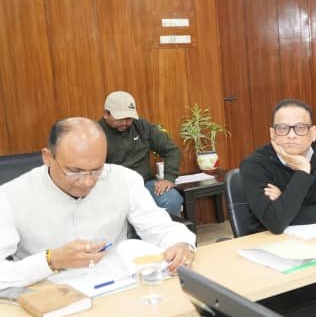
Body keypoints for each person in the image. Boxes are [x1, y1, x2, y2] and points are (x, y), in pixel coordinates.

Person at [0, 118, 196, 290]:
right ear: (48, 157)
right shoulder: (10, 196)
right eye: (75, 171)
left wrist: (181, 244)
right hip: (50, 293)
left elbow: (160, 228)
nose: (87, 181)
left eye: (96, 170)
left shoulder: (124, 179)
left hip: (117, 287)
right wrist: (51, 260)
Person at [239, 99, 316, 234]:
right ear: (272, 134)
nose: (291, 135)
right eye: (282, 128)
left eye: (300, 128)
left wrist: (285, 206)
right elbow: (275, 222)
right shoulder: (254, 165)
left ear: (313, 133)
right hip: (272, 242)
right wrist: (303, 171)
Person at [99, 90, 184, 218]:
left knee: (171, 199)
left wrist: (168, 178)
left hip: (144, 184)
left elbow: (171, 150)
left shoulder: (142, 126)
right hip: (113, 190)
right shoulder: (95, 133)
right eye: (120, 119)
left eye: (129, 118)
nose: (125, 123)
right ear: (106, 114)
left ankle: (165, 231)